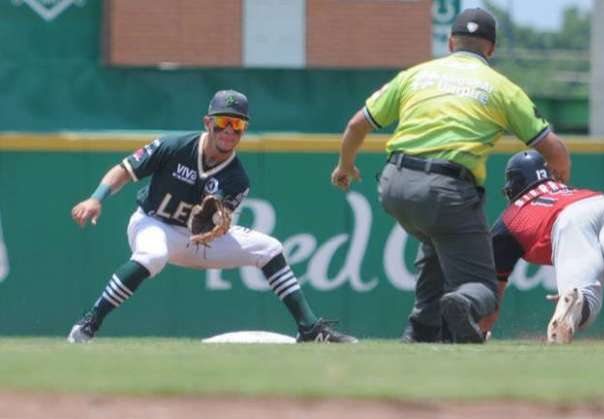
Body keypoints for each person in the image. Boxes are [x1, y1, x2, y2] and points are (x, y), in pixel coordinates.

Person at [330, 8, 571, 343]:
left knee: (436, 243)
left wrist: (345, 166)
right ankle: (464, 301)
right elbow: (556, 152)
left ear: (449, 42)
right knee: (484, 288)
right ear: (491, 49)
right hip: (447, 191)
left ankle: (420, 330)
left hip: (394, 185)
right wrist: (558, 194)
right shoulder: (502, 88)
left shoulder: (415, 75)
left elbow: (357, 124)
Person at [68, 89, 357, 343]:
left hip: (197, 240)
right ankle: (89, 322)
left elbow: (219, 222)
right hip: (153, 222)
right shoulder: (174, 146)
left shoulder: (237, 178)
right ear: (208, 123)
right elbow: (123, 170)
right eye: (223, 122)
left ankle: (308, 329)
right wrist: (96, 198)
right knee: (152, 256)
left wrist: (217, 226)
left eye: (238, 124)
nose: (230, 131)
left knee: (270, 249)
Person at [478, 150, 604, 343]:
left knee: (585, 298)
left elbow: (490, 301)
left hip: (569, 220)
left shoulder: (510, 219)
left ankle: (576, 302)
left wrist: (480, 330)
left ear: (513, 187)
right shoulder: (567, 189)